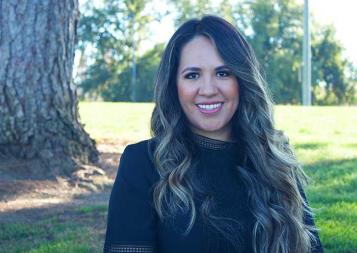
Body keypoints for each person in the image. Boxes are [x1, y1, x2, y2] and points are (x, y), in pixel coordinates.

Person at [103, 15, 324, 253]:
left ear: (242, 79)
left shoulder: (275, 160)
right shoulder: (142, 163)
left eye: (223, 73)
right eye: (192, 75)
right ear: (173, 85)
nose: (208, 90)